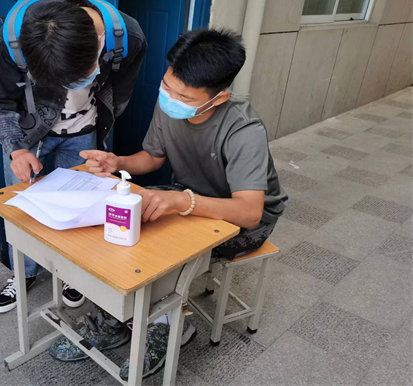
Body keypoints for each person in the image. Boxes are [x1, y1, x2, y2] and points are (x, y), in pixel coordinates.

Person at [49, 28, 288, 380]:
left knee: (161, 252)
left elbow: (249, 212)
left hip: (245, 220)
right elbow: (152, 157)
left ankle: (168, 325)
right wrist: (117, 162)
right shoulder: (169, 106)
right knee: (123, 221)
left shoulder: (244, 130)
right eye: (167, 86)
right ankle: (114, 318)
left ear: (219, 98)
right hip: (187, 195)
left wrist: (181, 201)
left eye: (183, 96)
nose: (170, 98)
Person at [0, 0, 147, 313]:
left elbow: (119, 95)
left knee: (81, 207)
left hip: (84, 132)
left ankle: (74, 273)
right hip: (27, 136)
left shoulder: (128, 38)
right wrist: (16, 149)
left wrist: (102, 133)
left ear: (97, 48)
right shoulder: (13, 38)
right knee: (24, 208)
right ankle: (24, 273)